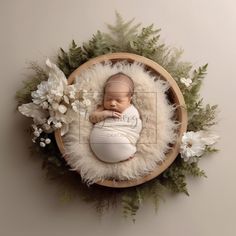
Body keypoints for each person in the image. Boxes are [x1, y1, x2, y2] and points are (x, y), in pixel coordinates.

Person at [89, 72, 142, 163]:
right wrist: (105, 114)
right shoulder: (102, 108)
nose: (112, 103)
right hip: (98, 144)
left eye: (118, 100)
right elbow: (92, 118)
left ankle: (124, 153)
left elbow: (135, 128)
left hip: (119, 139)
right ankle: (122, 153)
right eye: (108, 99)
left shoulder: (132, 111)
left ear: (129, 99)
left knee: (119, 142)